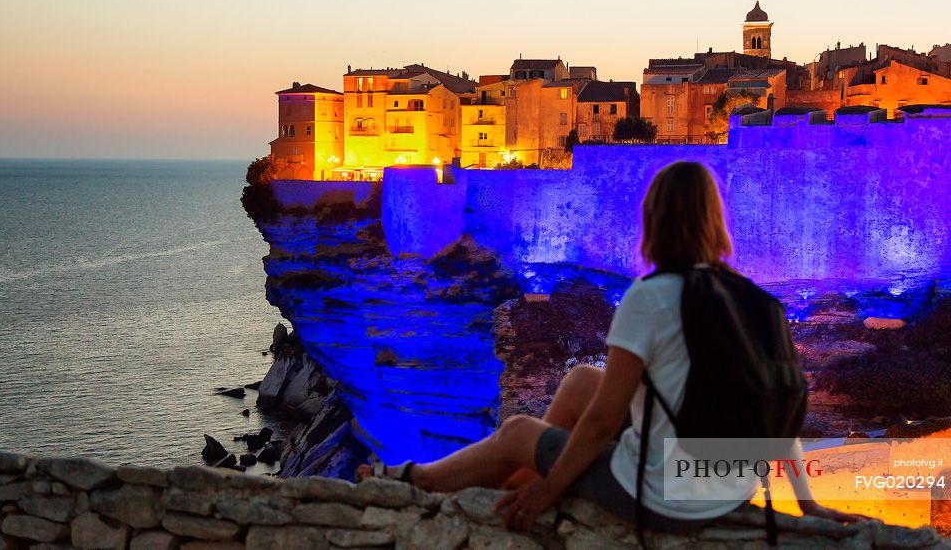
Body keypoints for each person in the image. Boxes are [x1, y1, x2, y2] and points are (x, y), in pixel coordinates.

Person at [356, 161, 867, 533]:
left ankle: (410, 480)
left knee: (515, 431)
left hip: (666, 495)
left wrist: (549, 489)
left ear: (654, 221)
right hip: (727, 483)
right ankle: (510, 480)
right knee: (580, 379)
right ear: (717, 223)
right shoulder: (759, 302)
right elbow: (777, 406)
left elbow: (602, 421)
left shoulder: (652, 296)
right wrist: (809, 503)